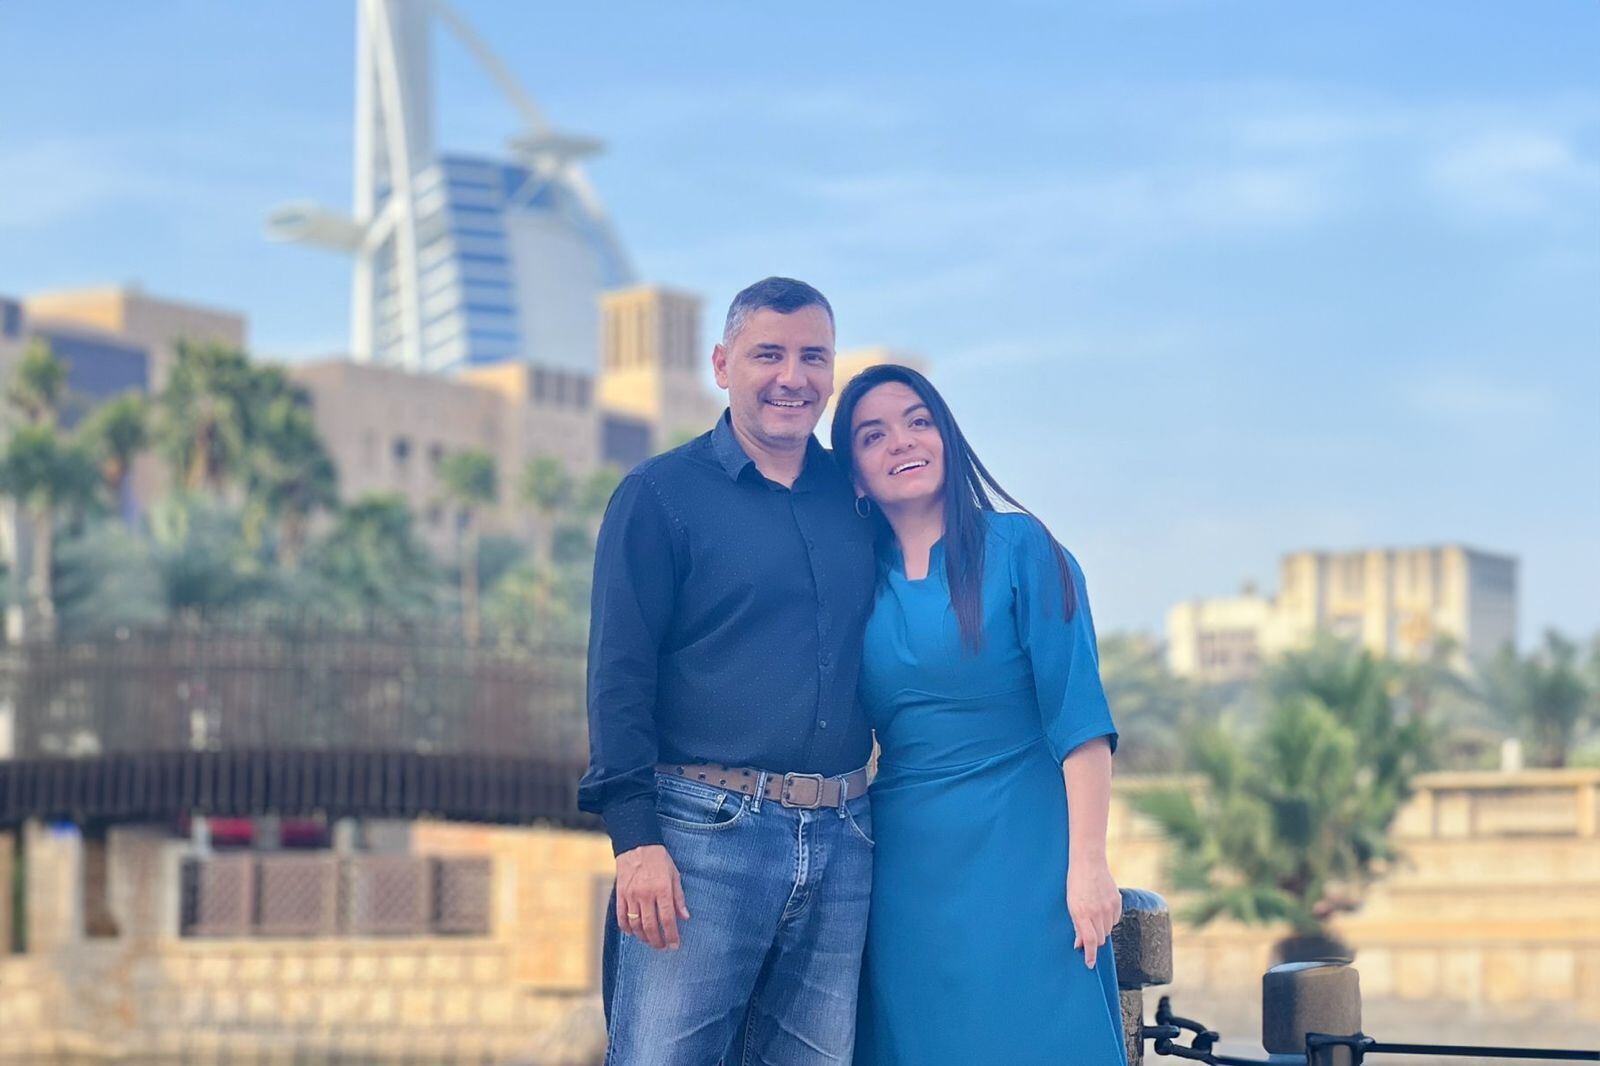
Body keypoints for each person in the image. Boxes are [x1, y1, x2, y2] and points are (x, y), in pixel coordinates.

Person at [579, 277, 878, 1065]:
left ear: (832, 372)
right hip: (701, 839)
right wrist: (635, 841)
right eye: (767, 354)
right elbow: (618, 676)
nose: (792, 377)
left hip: (845, 838)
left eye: (813, 357)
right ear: (722, 364)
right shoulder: (658, 495)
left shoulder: (858, 499)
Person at [830, 364, 1127, 1066]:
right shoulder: (850, 582)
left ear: (948, 438)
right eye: (873, 435)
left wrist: (1089, 865)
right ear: (855, 478)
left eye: (919, 421)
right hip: (904, 869)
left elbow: (1080, 722)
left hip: (1027, 853)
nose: (902, 441)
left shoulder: (1025, 550)